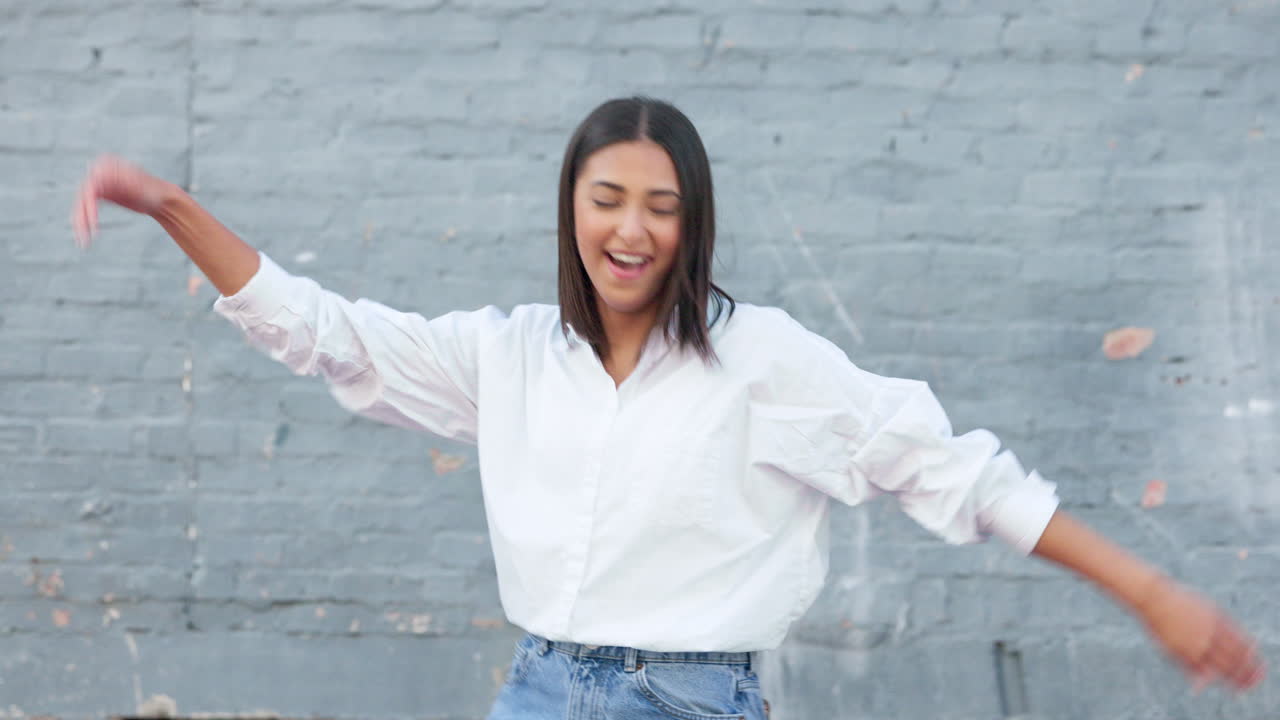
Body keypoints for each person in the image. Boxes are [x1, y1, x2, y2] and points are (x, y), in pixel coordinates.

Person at [71, 97, 1263, 720]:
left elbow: (953, 474)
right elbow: (323, 333)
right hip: (540, 690)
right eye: (604, 200)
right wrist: (171, 205)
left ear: (690, 221)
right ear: (571, 210)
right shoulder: (510, 355)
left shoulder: (765, 364)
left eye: (658, 204)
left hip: (689, 701)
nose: (628, 229)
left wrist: (1151, 591)